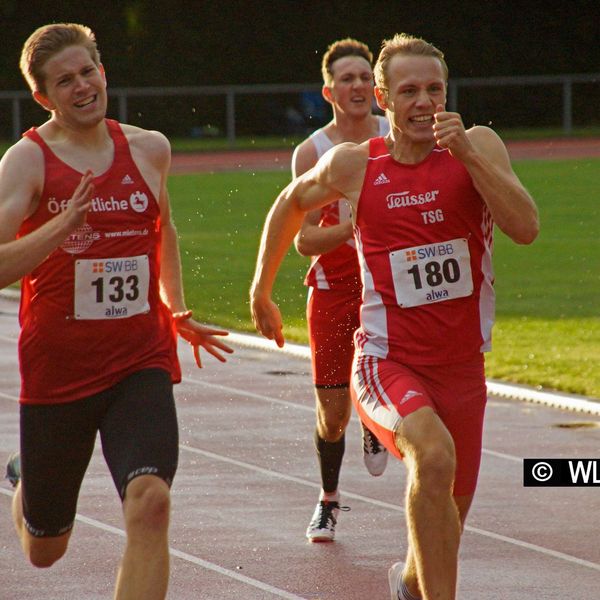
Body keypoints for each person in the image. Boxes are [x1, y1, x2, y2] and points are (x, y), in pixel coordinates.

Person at [250, 33, 539, 600]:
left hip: (462, 370)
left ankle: (408, 584)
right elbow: (290, 202)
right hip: (387, 362)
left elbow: (525, 227)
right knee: (432, 457)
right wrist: (262, 289)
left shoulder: (478, 146)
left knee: (446, 522)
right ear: (382, 99)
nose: (425, 102)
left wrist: (471, 158)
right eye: (409, 91)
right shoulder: (356, 164)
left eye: (435, 89)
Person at [1, 23, 233, 600]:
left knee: (151, 504)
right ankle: (26, 481)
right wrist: (61, 226)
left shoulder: (149, 148)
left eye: (89, 72)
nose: (82, 87)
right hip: (58, 372)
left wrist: (175, 309)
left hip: (139, 360)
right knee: (45, 550)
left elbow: (164, 229)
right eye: (65, 81)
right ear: (43, 97)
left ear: (102, 71)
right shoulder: (27, 162)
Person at [291, 38, 390, 543]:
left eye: (363, 77)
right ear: (329, 91)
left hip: (389, 290)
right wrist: (348, 230)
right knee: (332, 418)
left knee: (403, 389)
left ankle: (376, 419)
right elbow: (303, 239)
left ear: (376, 88)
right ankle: (328, 499)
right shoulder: (314, 151)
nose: (356, 86)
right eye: (346, 79)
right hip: (332, 291)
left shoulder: (396, 135)